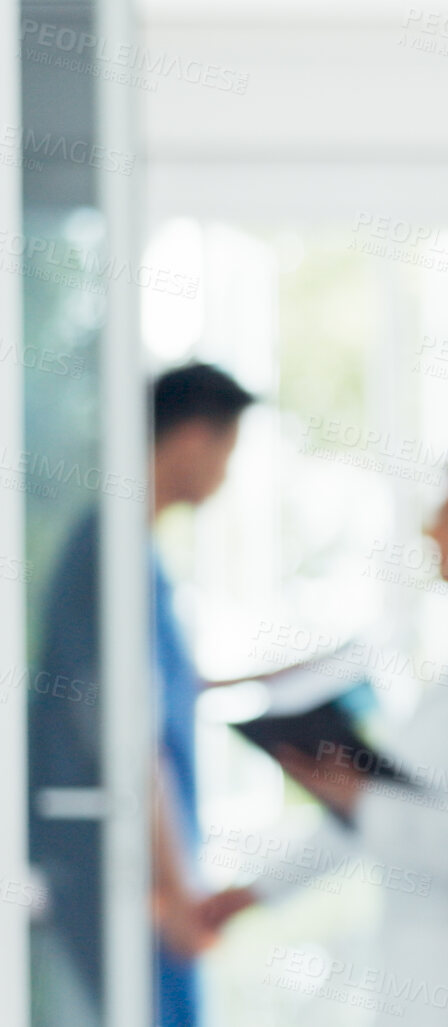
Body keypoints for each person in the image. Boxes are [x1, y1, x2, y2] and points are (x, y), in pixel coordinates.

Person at [214, 442, 448, 1027]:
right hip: (446, 975)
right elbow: (388, 805)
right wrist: (247, 895)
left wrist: (361, 799)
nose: (429, 528)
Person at [30, 361, 256, 1027]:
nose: (226, 473)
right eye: (226, 451)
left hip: (137, 861)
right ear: (190, 439)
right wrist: (173, 886)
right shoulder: (110, 552)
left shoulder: (134, 554)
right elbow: (122, 727)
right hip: (115, 867)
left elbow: (161, 694)